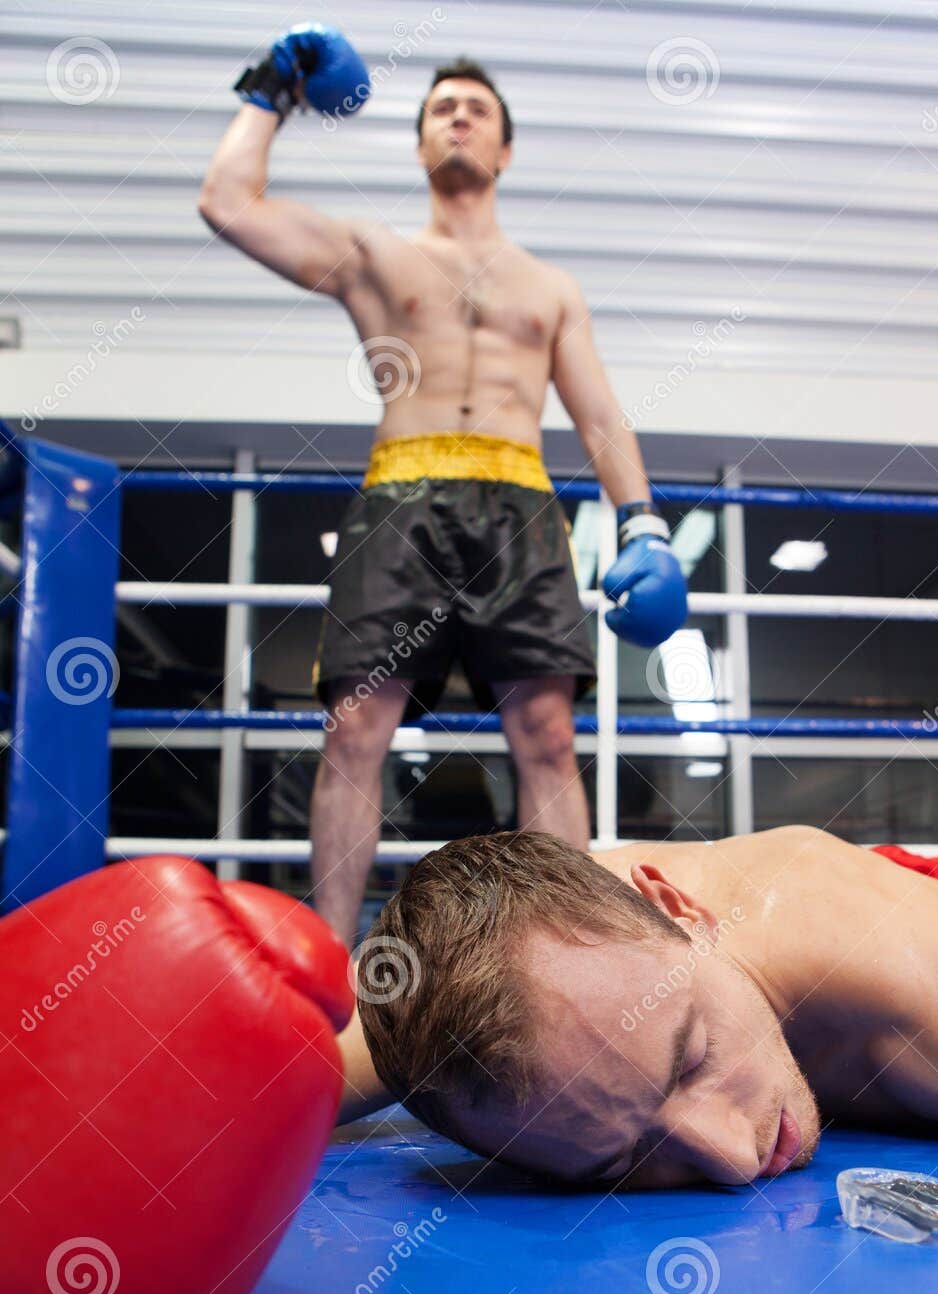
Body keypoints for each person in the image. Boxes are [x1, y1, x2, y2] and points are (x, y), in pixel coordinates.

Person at [198, 27, 688, 948]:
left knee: (545, 736)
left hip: (518, 503)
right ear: (421, 142)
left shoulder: (550, 286)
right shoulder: (373, 254)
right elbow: (226, 199)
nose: (457, 117)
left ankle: (567, 963)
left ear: (504, 150)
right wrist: (272, 90)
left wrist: (645, 528)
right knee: (353, 733)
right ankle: (332, 977)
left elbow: (598, 417)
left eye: (477, 110)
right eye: (440, 109)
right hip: (402, 498)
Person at [341, 825, 938, 1188]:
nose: (727, 1158)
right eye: (623, 1162)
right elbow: (286, 1067)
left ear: (682, 913)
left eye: (690, 1058)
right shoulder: (544, 965)